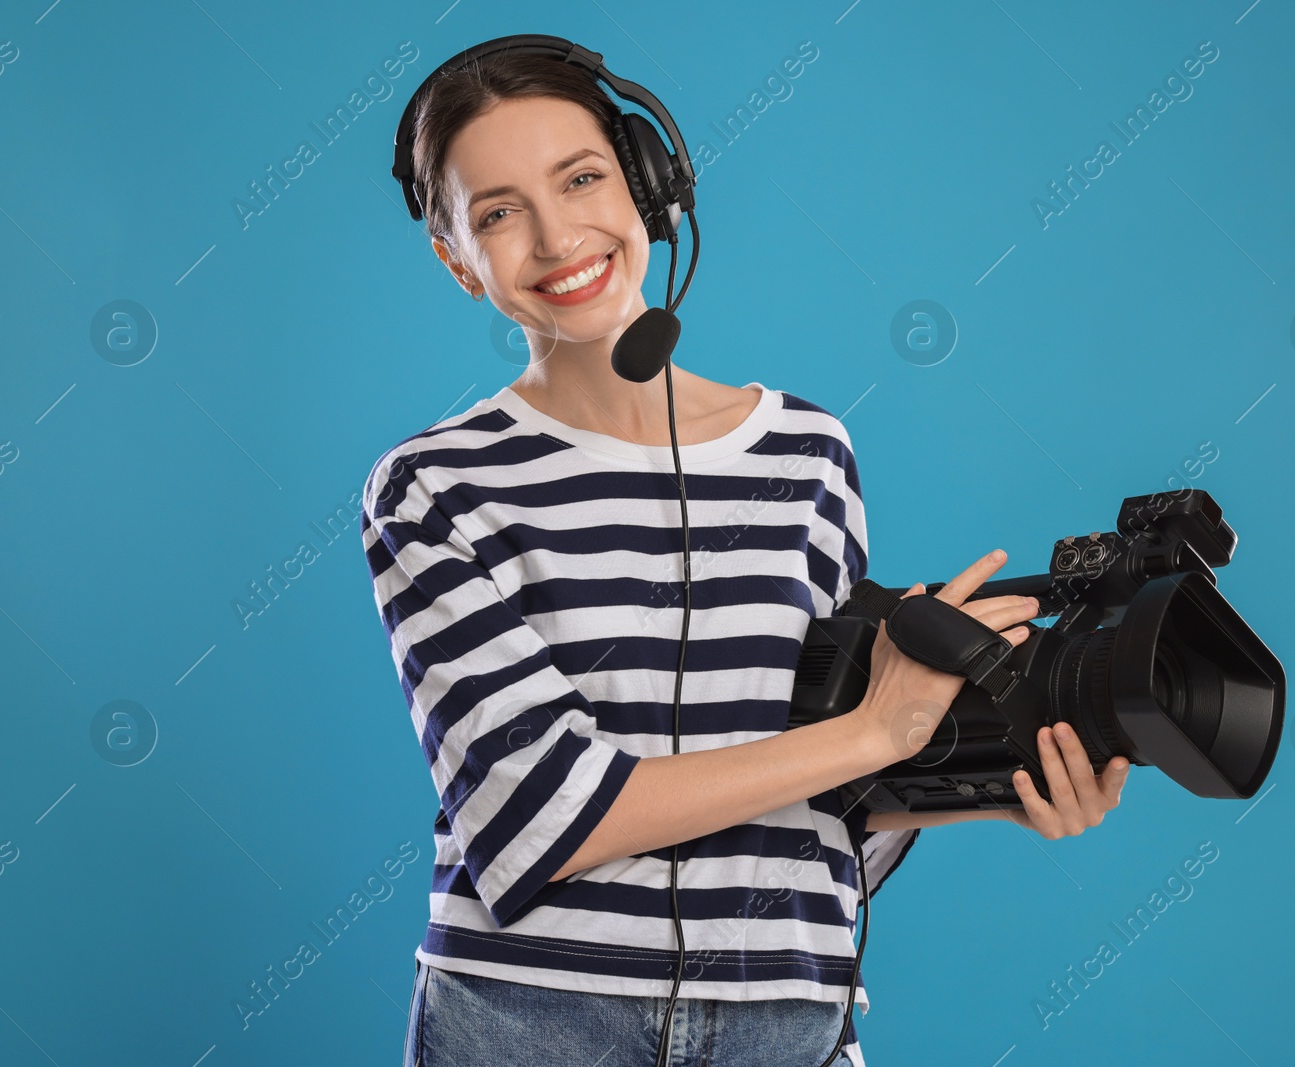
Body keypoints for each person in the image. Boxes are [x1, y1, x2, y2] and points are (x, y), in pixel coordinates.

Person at [359, 50, 1131, 1067]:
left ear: (648, 184)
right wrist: (875, 729)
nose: (556, 236)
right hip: (534, 1020)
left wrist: (993, 778)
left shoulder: (809, 453)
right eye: (497, 212)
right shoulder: (431, 485)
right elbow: (536, 812)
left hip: (786, 1011)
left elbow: (822, 791)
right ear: (459, 259)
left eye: (582, 178)